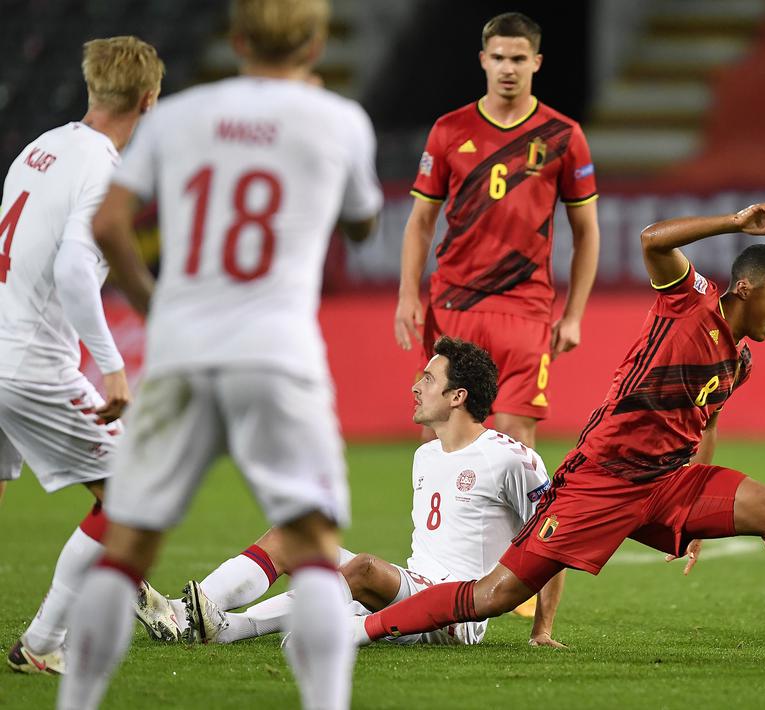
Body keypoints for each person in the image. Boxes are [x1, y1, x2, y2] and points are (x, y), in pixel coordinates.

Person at [355, 203, 765, 662]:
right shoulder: (688, 305)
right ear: (745, 289)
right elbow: (653, 238)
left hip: (664, 485)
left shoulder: (738, 363)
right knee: (492, 598)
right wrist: (732, 222)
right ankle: (361, 631)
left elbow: (706, 424)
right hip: (599, 483)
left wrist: (697, 512)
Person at [56, 1, 383, 708]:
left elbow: (110, 223)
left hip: (182, 348)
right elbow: (362, 224)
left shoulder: (180, 115)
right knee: (314, 542)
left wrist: (156, 308)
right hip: (277, 351)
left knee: (127, 553)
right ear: (317, 42)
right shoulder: (338, 120)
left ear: (234, 40)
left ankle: (75, 702)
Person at [172, 337, 565, 649]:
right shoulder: (426, 454)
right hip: (411, 587)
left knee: (362, 569)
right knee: (291, 537)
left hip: (456, 614)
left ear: (457, 396)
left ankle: (231, 629)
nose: (416, 387)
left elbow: (553, 543)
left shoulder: (513, 460)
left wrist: (540, 629)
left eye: (428, 379)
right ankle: (182, 615)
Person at [0, 36, 179, 676]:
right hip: (30, 364)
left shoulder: (38, 148)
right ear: (150, 100)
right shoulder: (104, 167)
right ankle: (43, 642)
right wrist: (112, 365)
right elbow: (76, 269)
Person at [392, 11, 601, 452]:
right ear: (483, 60)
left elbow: (587, 232)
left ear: (537, 63)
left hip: (525, 306)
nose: (509, 68)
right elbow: (421, 222)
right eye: (500, 57)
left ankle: (518, 526)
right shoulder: (449, 130)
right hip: (454, 302)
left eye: (519, 58)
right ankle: (439, 525)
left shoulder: (563, 136)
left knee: (515, 436)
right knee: (436, 433)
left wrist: (575, 313)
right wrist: (408, 294)